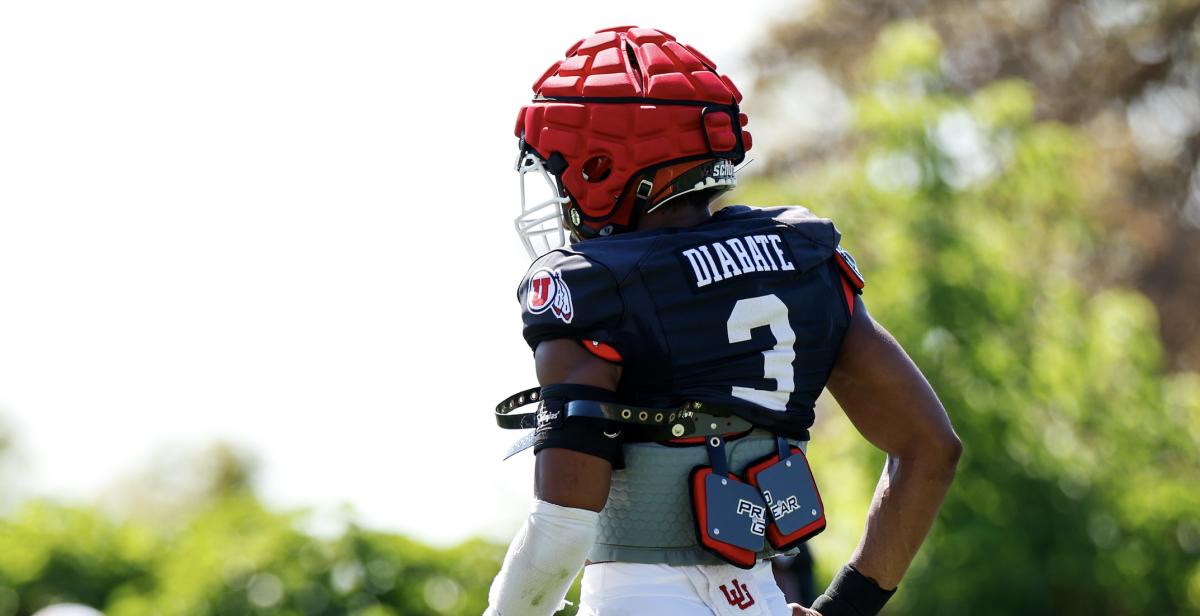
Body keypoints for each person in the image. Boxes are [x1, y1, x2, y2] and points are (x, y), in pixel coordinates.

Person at [487, 26, 962, 616]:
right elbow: (930, 448)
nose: (559, 194)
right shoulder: (803, 255)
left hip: (639, 599)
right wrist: (844, 609)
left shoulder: (590, 284)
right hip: (760, 597)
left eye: (561, 171)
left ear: (602, 164)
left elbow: (561, 530)